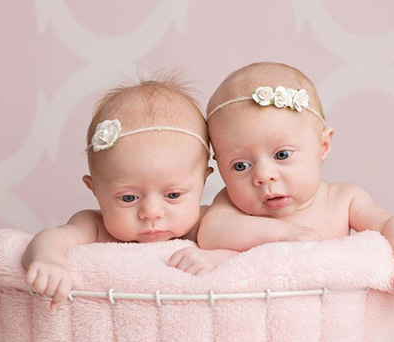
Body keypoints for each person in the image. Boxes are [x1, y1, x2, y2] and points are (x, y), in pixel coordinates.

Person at [198, 62, 394, 306]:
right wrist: (286, 234)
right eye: (240, 165)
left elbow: (391, 224)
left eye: (282, 155)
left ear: (323, 146)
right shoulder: (232, 206)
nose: (263, 175)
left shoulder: (344, 201)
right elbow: (210, 233)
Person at [23, 73, 236, 311]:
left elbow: (250, 256)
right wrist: (48, 260)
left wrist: (216, 257)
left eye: (173, 195)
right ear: (94, 189)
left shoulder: (208, 224)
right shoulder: (95, 226)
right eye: (128, 198)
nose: (151, 213)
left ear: (203, 181)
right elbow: (52, 238)